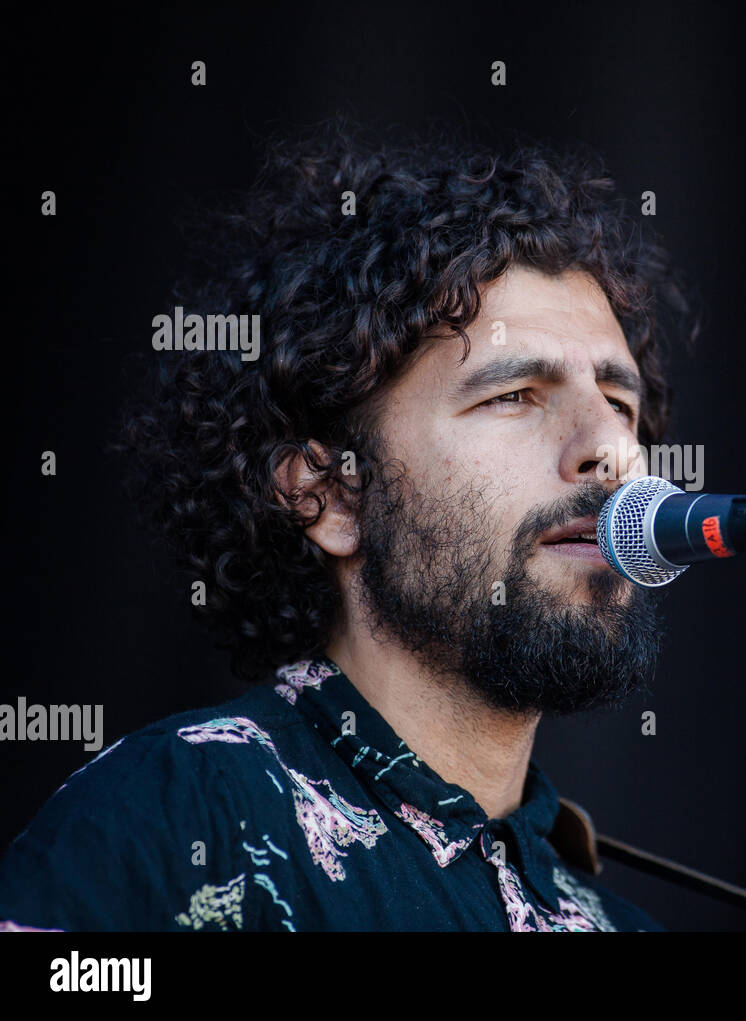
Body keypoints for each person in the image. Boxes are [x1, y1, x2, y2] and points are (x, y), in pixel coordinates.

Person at [0, 118, 696, 931]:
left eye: (620, 404)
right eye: (513, 395)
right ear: (327, 496)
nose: (609, 451)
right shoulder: (175, 816)